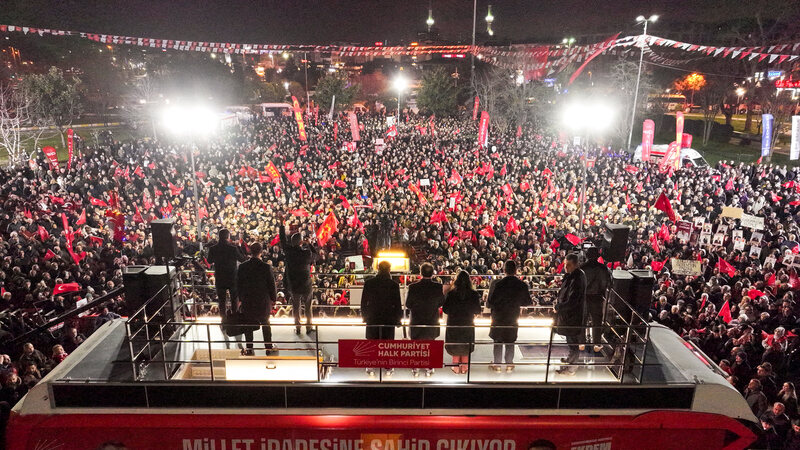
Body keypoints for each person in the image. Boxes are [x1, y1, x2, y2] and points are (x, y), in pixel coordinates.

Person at [487, 260, 532, 373]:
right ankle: (509, 364)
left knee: (498, 340)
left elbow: (491, 302)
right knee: (510, 340)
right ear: (516, 270)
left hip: (498, 316)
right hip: (513, 315)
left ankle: (497, 365)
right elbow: (527, 302)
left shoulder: (497, 284)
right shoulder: (521, 285)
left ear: (504, 270)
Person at [235, 242, 277, 355]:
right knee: (266, 324)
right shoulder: (266, 267)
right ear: (261, 252)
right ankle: (268, 347)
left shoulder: (242, 267)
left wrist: (240, 299)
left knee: (248, 325)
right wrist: (274, 299)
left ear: (250, 251)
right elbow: (271, 285)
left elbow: (238, 285)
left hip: (248, 301)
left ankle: (249, 348)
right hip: (263, 301)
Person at [361, 260, 402, 376]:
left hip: (372, 317)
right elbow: (397, 304)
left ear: (378, 269)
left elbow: (364, 302)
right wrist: (398, 319)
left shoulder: (369, 283)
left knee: (372, 342)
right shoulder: (394, 285)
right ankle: (388, 366)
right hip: (388, 318)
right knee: (387, 343)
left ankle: (371, 365)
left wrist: (364, 316)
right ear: (389, 270)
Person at [405, 263, 445, 377]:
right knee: (430, 344)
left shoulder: (413, 287)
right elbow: (441, 302)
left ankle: (415, 367)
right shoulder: (438, 286)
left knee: (416, 345)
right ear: (433, 273)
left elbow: (408, 304)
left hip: (416, 320)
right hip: (432, 320)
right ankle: (429, 367)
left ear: (420, 273)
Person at [279, 216, 316, 334]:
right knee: (308, 306)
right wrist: (309, 244)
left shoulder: (288, 252)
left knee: (296, 307)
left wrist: (281, 224)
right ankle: (309, 327)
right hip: (306, 284)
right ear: (301, 242)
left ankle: (298, 327)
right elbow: (315, 255)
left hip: (294, 285)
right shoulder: (306, 253)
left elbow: (282, 240)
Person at [442, 271, 482, 374]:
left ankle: (455, 367)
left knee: (455, 343)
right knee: (466, 344)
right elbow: (477, 310)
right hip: (467, 322)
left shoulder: (451, 294)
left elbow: (445, 309)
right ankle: (464, 368)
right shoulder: (474, 294)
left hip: (454, 323)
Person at [554, 253, 586, 376]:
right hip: (568, 315)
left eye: (568, 265)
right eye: (565, 265)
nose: (566, 268)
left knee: (573, 342)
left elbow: (573, 300)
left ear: (575, 264)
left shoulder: (578, 278)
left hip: (573, 316)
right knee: (570, 340)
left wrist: (559, 307)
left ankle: (571, 368)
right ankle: (570, 361)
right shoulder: (572, 276)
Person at [207, 228, 246, 319]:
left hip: (220, 277)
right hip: (232, 277)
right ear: (228, 237)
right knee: (234, 299)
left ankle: (223, 320)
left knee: (222, 301)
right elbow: (242, 259)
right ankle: (234, 318)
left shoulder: (213, 248)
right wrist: (239, 247)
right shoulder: (233, 248)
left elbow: (209, 260)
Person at [580, 247, 611, 353]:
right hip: (597, 297)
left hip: (584, 297)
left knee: (582, 320)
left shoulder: (582, 267)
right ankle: (597, 343)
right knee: (597, 321)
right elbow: (608, 283)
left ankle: (581, 342)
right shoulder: (603, 268)